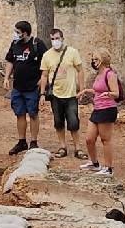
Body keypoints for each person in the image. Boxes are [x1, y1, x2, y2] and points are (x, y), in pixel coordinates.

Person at [39, 28, 86, 159]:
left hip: (70, 94)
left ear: (62, 39)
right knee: (58, 121)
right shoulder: (47, 55)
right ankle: (62, 146)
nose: (55, 41)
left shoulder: (72, 52)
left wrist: (81, 89)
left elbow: (80, 70)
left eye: (57, 38)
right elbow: (44, 75)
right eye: (53, 39)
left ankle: (78, 148)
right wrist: (42, 94)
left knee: (73, 122)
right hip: (55, 94)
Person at [4, 20, 47, 155]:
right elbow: (10, 61)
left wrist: (43, 79)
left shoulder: (37, 44)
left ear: (25, 33)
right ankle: (22, 141)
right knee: (20, 114)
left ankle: (33, 142)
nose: (15, 34)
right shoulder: (15, 44)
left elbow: (47, 62)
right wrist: (6, 77)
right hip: (18, 87)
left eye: (17, 32)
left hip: (32, 87)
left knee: (33, 114)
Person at [79, 48, 120, 176]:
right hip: (97, 109)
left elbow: (116, 93)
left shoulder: (109, 74)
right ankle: (94, 163)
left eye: (96, 59)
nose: (94, 62)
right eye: (93, 59)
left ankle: (108, 168)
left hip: (107, 109)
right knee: (89, 139)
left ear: (103, 60)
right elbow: (97, 90)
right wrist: (86, 91)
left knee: (105, 139)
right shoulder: (99, 74)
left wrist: (108, 94)